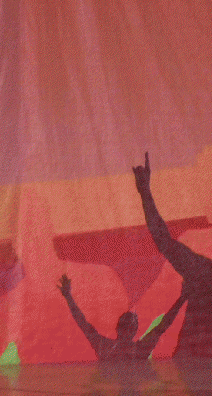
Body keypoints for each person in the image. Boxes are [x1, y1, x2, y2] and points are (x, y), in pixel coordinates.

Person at [132, 152, 212, 359]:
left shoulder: (201, 270)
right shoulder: (201, 270)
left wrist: (145, 193)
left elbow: (163, 239)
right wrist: (145, 194)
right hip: (191, 360)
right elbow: (162, 239)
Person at [57, 273, 185, 362]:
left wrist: (68, 296)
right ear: (135, 330)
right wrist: (182, 298)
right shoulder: (141, 350)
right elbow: (164, 324)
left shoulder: (103, 346)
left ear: (117, 328)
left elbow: (82, 323)